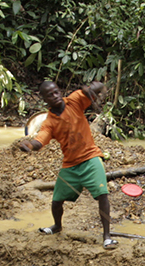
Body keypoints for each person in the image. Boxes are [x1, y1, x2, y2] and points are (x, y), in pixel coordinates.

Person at [18, 80, 118, 249]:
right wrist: (28, 145)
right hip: (70, 164)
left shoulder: (74, 100)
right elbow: (40, 140)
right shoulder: (49, 122)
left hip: (90, 157)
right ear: (45, 99)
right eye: (50, 95)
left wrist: (93, 89)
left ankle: (107, 236)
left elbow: (96, 89)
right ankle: (57, 226)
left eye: (56, 92)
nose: (55, 96)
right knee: (56, 201)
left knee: (102, 194)